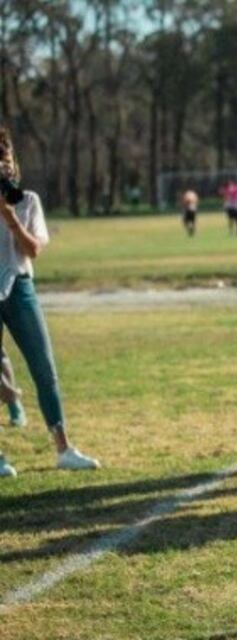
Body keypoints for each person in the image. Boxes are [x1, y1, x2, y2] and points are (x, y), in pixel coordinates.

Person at [0, 126, 100, 478]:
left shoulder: (28, 202)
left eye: (7, 160)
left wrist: (10, 218)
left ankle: (64, 448)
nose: (4, 167)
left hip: (21, 286)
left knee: (45, 369)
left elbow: (34, 250)